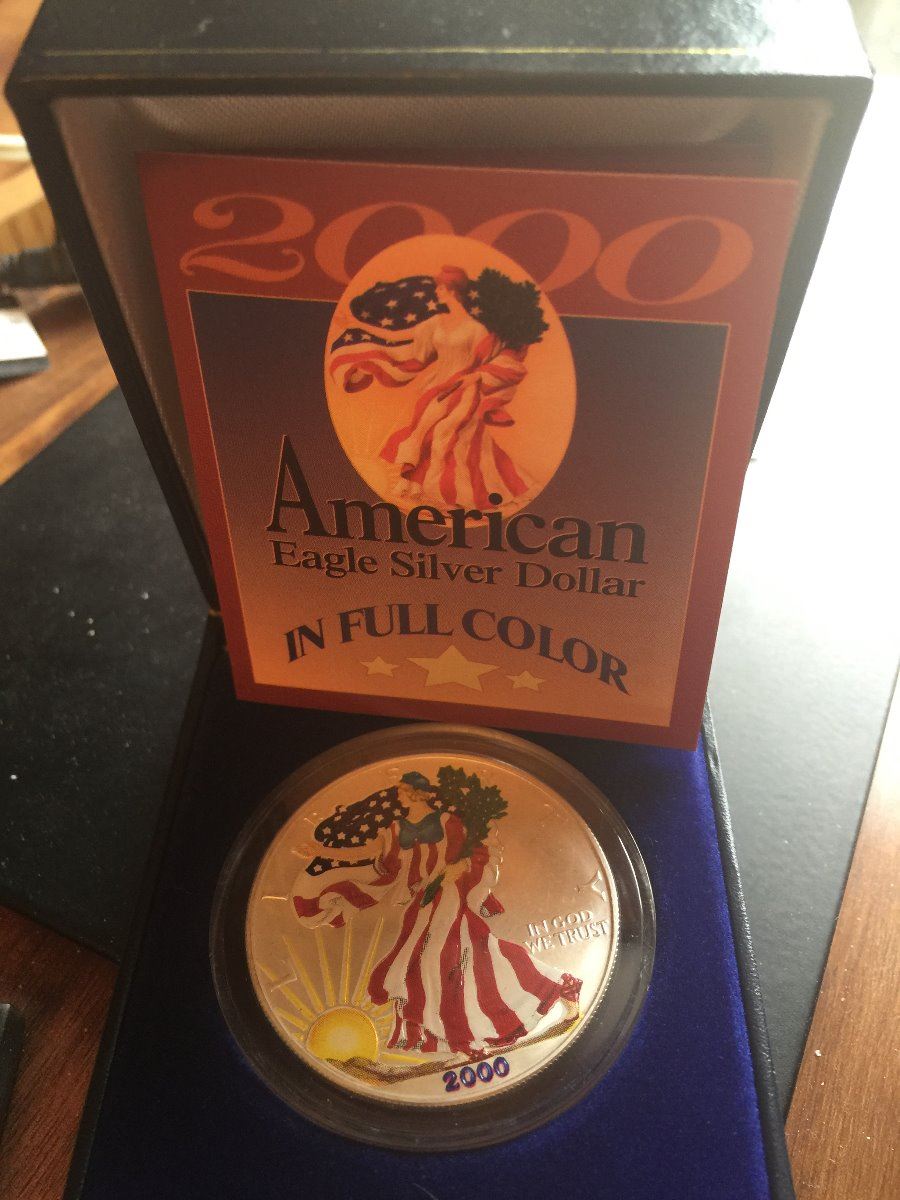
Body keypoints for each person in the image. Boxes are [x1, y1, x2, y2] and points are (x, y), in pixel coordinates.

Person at [292, 770, 581, 1057]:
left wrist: (458, 867)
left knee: (441, 956)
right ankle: (462, 1033)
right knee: (448, 957)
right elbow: (369, 853)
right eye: (400, 790)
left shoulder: (448, 821)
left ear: (418, 792)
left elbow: (471, 852)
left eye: (405, 790)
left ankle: (473, 1028)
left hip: (451, 893)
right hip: (423, 899)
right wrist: (320, 851)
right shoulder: (396, 829)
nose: (401, 795)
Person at [329, 266, 536, 510]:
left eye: (440, 288)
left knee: (441, 433)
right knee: (421, 431)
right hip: (435, 387)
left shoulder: (476, 328)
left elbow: (486, 361)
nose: (436, 292)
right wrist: (357, 326)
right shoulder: (435, 322)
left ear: (452, 291)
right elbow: (397, 337)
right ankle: (412, 482)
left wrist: (475, 378)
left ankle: (421, 484)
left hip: (463, 389)